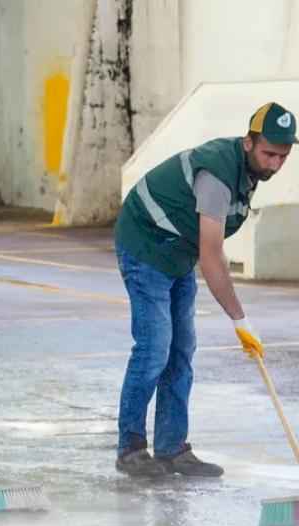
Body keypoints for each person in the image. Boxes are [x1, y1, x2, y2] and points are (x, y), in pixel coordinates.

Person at [112, 102, 294, 478]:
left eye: (283, 156)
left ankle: (172, 449)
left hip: (177, 253)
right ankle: (130, 448)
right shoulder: (217, 173)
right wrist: (240, 320)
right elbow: (211, 255)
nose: (275, 164)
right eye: (269, 154)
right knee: (153, 349)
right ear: (248, 142)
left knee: (182, 350)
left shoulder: (247, 173)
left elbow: (211, 250)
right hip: (146, 245)